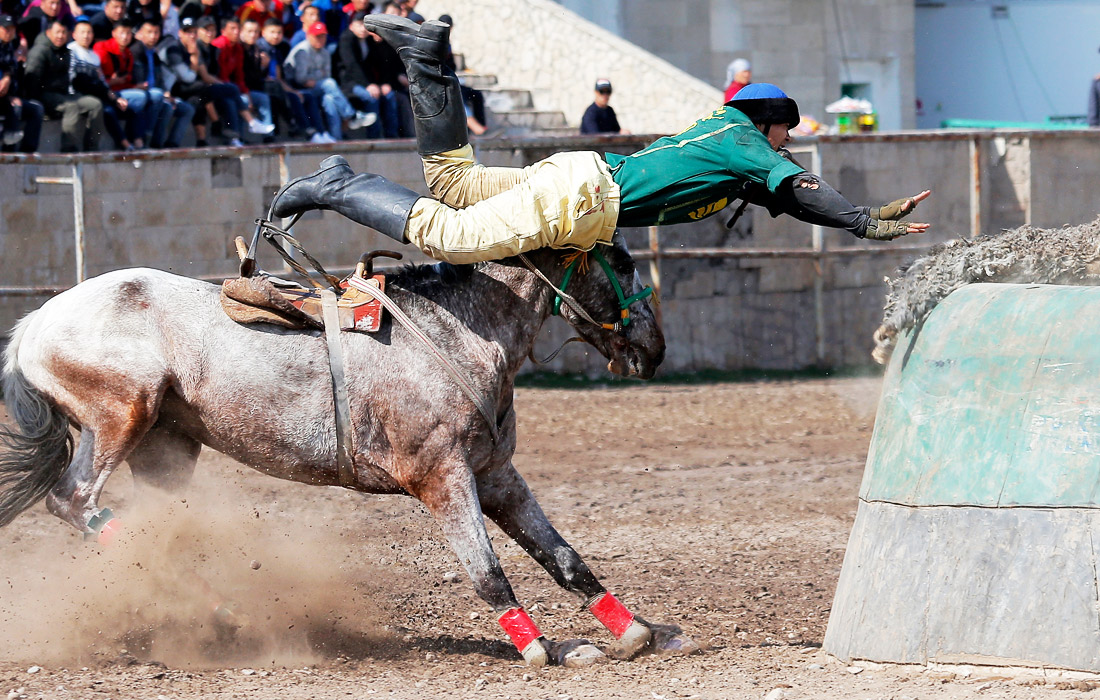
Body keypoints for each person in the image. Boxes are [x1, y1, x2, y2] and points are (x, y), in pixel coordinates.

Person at [270, 16, 931, 264]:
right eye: (786, 128)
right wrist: (863, 223)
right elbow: (799, 186)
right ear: (768, 123)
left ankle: (424, 60)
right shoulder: (746, 141)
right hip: (582, 200)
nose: (790, 140)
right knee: (450, 234)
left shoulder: (733, 144)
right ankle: (338, 186)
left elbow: (787, 197)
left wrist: (866, 216)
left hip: (580, 178)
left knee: (453, 185)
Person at [284, 18, 370, 140]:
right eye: (317, 36)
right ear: (309, 36)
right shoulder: (302, 51)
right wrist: (318, 74)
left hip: (317, 87)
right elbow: (301, 79)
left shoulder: (325, 52)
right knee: (329, 84)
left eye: (323, 36)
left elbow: (326, 75)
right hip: (298, 89)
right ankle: (351, 116)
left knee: (330, 99)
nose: (320, 39)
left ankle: (336, 139)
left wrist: (315, 76)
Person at [25, 18, 104, 151]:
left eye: (63, 33)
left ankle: (92, 147)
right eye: (58, 32)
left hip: (63, 94)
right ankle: (69, 148)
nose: (61, 36)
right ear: (49, 32)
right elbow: (31, 80)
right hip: (44, 95)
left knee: (95, 104)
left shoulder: (66, 51)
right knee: (72, 107)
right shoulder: (40, 50)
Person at [130, 18, 194, 146]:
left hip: (158, 93)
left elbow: (159, 80)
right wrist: (162, 94)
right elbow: (138, 80)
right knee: (163, 103)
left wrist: (167, 94)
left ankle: (172, 143)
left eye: (156, 32)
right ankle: (150, 142)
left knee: (187, 109)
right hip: (144, 93)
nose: (153, 36)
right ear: (141, 33)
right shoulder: (135, 51)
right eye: (149, 32)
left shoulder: (154, 54)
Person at [336, 10, 388, 138]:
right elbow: (351, 65)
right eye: (359, 24)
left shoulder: (368, 40)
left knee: (389, 96)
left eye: (365, 26)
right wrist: (368, 85)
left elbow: (377, 64)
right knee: (371, 96)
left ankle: (390, 133)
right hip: (348, 82)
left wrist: (379, 42)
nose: (362, 29)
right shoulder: (346, 39)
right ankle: (374, 136)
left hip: (365, 81)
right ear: (351, 25)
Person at [0, 12, 45, 151]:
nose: (9, 32)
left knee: (36, 109)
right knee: (15, 108)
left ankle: (28, 152)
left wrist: (8, 77)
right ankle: (9, 156)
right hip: (4, 99)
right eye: (5, 28)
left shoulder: (10, 46)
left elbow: (11, 68)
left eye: (12, 28)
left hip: (8, 97)